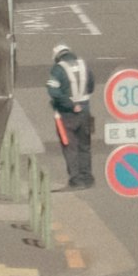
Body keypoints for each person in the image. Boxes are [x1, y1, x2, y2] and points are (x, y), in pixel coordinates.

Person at [45, 44, 93, 189]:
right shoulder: (83, 64)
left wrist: (69, 104)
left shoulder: (59, 69)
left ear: (57, 56)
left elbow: (52, 90)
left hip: (67, 114)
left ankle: (76, 179)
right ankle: (87, 177)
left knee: (70, 146)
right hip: (85, 111)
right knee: (85, 146)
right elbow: (91, 85)